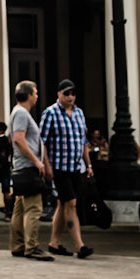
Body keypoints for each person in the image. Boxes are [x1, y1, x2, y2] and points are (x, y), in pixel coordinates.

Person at [40, 80, 93, 259]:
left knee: (63, 204)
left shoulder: (79, 113)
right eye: (66, 93)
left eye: (72, 93)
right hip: (59, 167)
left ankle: (54, 243)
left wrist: (89, 164)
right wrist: (46, 165)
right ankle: (80, 245)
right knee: (71, 203)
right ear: (59, 94)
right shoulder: (51, 113)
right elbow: (43, 143)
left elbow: (84, 141)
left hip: (76, 167)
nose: (70, 97)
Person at [9, 79, 53, 261]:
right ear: (28, 95)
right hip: (27, 167)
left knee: (20, 208)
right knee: (34, 208)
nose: (37, 96)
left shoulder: (18, 112)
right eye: (35, 93)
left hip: (21, 166)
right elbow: (19, 139)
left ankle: (18, 244)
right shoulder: (22, 114)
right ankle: (31, 246)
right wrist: (37, 161)